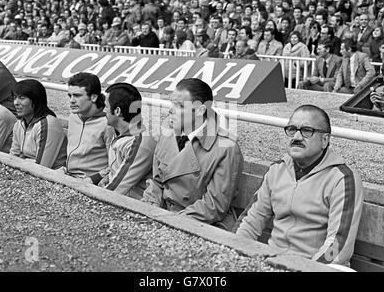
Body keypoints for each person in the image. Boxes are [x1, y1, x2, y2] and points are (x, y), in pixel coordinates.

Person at [236, 105, 363, 266]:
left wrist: (305, 269)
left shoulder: (342, 178)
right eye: (291, 129)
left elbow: (338, 244)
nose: (296, 136)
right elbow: (251, 220)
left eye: (307, 130)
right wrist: (233, 253)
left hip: (318, 267)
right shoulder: (277, 169)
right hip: (271, 263)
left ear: (325, 140)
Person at [142, 78, 244, 231]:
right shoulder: (167, 131)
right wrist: (148, 209)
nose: (171, 110)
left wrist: (169, 223)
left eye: (180, 106)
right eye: (172, 103)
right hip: (161, 214)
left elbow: (214, 205)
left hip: (199, 225)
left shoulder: (226, 146)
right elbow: (157, 182)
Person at [96, 83, 157, 199]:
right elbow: (118, 170)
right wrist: (107, 177)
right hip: (119, 198)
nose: (104, 111)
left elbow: (119, 187)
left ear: (117, 111)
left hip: (133, 205)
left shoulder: (140, 142)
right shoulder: (119, 133)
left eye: (106, 107)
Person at [64, 72, 114, 180]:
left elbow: (115, 164)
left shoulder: (108, 125)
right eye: (70, 95)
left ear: (94, 97)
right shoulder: (73, 117)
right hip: (67, 175)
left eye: (77, 95)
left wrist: (93, 179)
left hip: (91, 183)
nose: (71, 100)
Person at [10, 79, 67, 169]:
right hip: (27, 171)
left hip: (53, 177)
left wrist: (22, 160)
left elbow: (41, 167)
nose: (16, 103)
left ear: (36, 100)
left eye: (22, 98)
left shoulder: (47, 124)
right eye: (14, 98)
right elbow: (12, 157)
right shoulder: (19, 124)